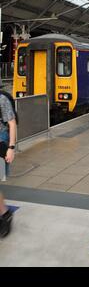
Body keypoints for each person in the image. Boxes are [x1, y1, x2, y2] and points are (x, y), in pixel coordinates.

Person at [0, 91, 17, 237]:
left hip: (1, 141)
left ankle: (5, 214)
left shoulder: (2, 99)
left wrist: (11, 148)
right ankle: (5, 213)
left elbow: (12, 123)